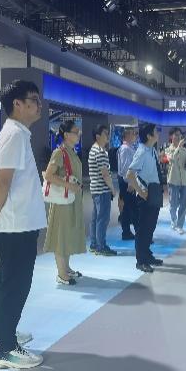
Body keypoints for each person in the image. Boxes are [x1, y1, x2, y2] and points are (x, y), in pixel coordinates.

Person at [0, 80, 46, 370]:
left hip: (18, 223)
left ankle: (1, 335)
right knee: (15, 285)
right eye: (33, 99)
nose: (38, 104)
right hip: (16, 225)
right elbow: (2, 180)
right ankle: (6, 350)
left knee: (6, 280)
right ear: (17, 104)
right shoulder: (14, 135)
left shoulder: (16, 133)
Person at [43, 120, 86, 285]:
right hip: (62, 202)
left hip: (71, 200)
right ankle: (61, 274)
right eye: (75, 131)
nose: (78, 134)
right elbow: (48, 175)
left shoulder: (71, 152)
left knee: (67, 234)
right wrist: (69, 185)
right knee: (61, 236)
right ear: (66, 135)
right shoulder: (59, 153)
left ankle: (66, 268)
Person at [126, 123, 164, 273]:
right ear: (149, 135)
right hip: (146, 195)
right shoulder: (142, 151)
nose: (158, 133)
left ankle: (147, 255)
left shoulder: (152, 150)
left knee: (150, 227)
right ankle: (141, 261)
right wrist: (141, 192)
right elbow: (130, 174)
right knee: (143, 229)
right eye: (155, 131)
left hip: (154, 192)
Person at [88, 124, 117, 256]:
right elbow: (105, 174)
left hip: (95, 190)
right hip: (102, 190)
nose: (108, 136)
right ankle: (101, 246)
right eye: (105, 133)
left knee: (96, 218)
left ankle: (94, 244)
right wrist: (112, 189)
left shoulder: (93, 150)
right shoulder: (100, 152)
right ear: (98, 136)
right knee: (102, 219)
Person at [166, 127, 186, 234]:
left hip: (185, 180)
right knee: (173, 204)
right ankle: (173, 221)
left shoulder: (185, 150)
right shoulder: (168, 149)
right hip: (173, 180)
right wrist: (178, 147)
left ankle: (180, 225)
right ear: (171, 136)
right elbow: (172, 159)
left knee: (183, 204)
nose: (178, 137)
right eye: (176, 134)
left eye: (180, 135)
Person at [117, 127, 138, 241]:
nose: (135, 136)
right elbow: (126, 167)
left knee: (128, 208)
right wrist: (130, 182)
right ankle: (133, 232)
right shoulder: (125, 149)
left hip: (128, 181)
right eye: (133, 134)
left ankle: (127, 232)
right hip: (127, 182)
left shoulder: (128, 148)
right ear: (127, 136)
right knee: (131, 208)